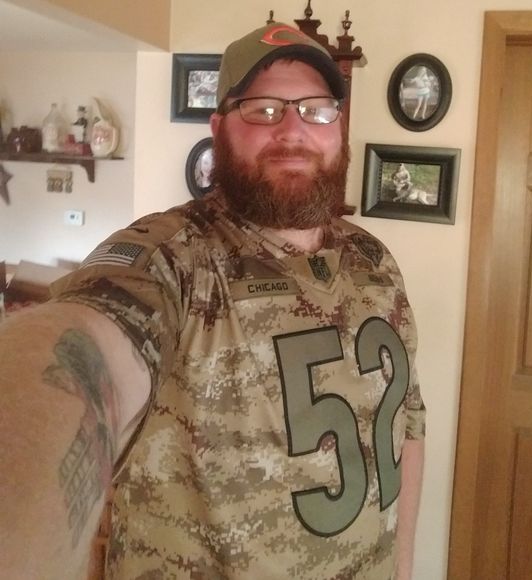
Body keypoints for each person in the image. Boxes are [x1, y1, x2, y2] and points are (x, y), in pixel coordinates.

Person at [0, 22, 425, 580]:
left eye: (316, 110)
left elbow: (408, 427)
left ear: (339, 126)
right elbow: (85, 348)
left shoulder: (376, 262)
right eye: (263, 109)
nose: (293, 129)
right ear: (219, 127)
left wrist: (403, 565)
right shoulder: (171, 258)